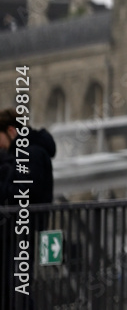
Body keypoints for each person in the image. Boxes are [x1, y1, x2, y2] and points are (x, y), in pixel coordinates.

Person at [0, 108, 57, 309]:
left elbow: (23, 190)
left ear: (10, 131)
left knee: (16, 290)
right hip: (19, 232)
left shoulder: (29, 154)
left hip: (19, 233)